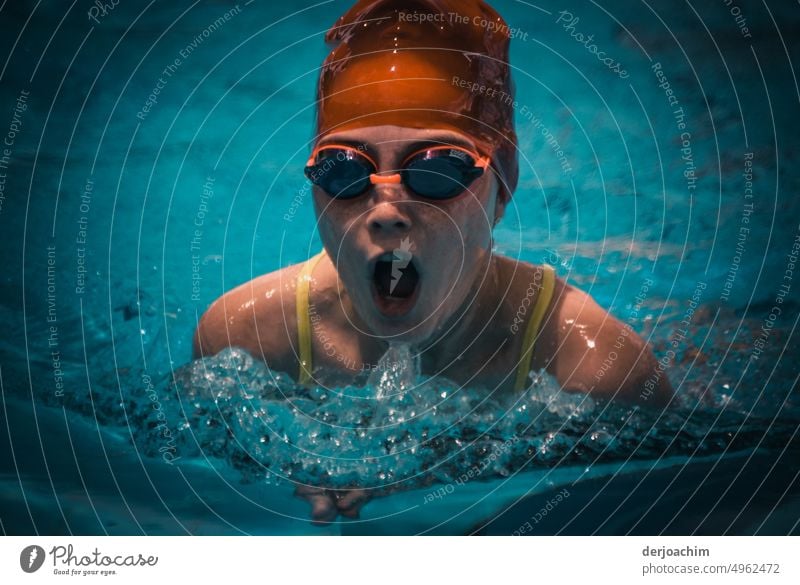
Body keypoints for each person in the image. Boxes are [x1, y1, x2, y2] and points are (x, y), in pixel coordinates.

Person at [192, 0, 673, 523]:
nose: (387, 213)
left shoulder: (597, 367)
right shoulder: (248, 337)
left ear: (503, 182)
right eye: (344, 170)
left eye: (439, 169)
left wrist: (443, 470)